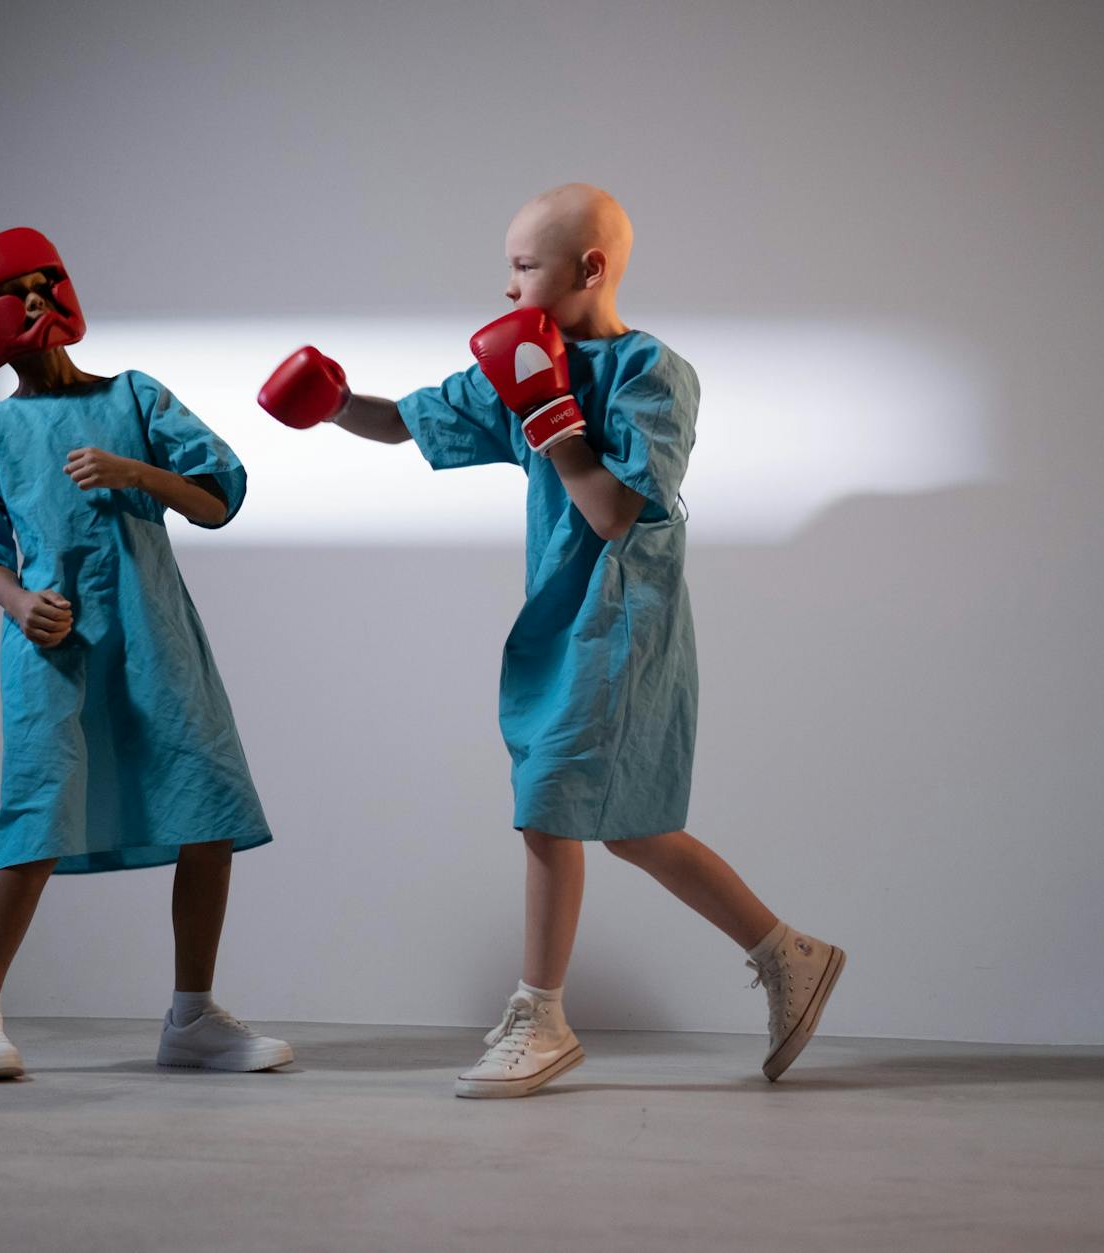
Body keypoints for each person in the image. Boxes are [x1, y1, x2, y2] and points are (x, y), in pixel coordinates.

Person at [259, 185, 846, 1097]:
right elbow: (414, 420)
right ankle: (789, 954)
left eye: (524, 266)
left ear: (590, 269)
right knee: (637, 832)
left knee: (546, 805)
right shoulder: (526, 361)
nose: (506, 287)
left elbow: (615, 514)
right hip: (556, 624)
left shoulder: (652, 371)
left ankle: (543, 1014)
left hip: (622, 624)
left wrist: (553, 419)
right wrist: (335, 402)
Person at [0, 226, 289, 1080]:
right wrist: (19, 603)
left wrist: (137, 473)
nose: (34, 299)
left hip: (155, 638)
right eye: (12, 290)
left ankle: (192, 1018)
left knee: (207, 811)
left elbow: (215, 498)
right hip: (53, 648)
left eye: (43, 282)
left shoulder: (135, 396)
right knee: (37, 814)